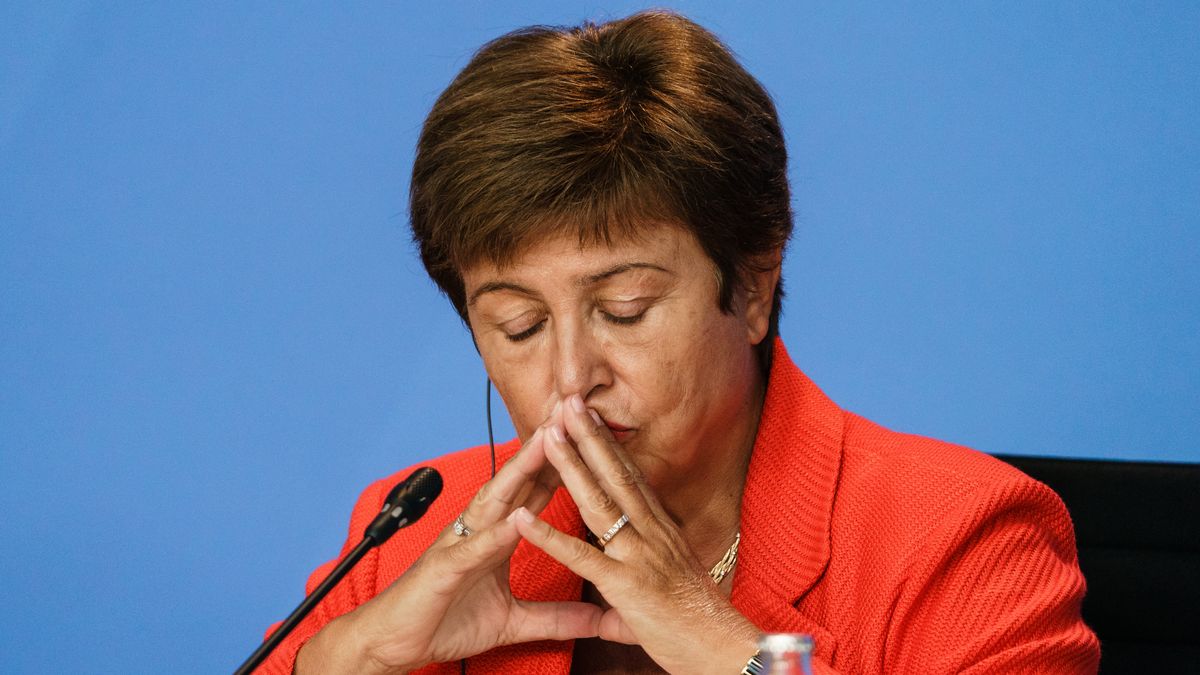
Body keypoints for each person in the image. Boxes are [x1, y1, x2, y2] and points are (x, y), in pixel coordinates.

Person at [256, 11, 1100, 674]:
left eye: (624, 309)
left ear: (753, 287)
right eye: (520, 325)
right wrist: (351, 659)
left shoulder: (960, 538)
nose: (570, 378)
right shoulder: (412, 530)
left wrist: (727, 649)